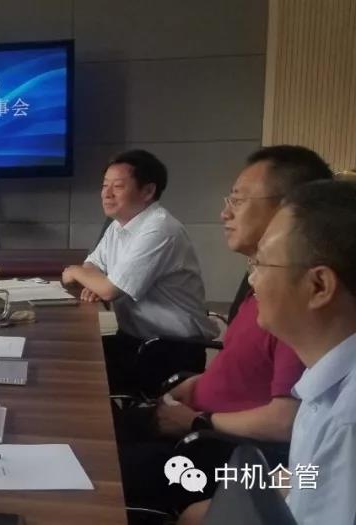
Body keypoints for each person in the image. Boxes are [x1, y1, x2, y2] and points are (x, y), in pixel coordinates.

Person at [118, 145, 333, 513]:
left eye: (238, 200)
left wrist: (199, 421)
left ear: (290, 211)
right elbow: (248, 368)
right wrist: (197, 385)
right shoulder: (260, 288)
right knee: (85, 430)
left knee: (93, 464)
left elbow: (287, 423)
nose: (225, 213)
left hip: (215, 451)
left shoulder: (296, 307)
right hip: (196, 422)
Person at [180, 179, 356, 524]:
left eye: (261, 264)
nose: (253, 280)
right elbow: (302, 476)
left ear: (319, 285)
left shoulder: (346, 421)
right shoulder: (324, 378)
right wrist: (228, 501)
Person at [62, 149, 218, 393]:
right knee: (71, 356)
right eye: (104, 185)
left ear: (147, 191)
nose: (106, 193)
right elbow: (93, 265)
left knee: (74, 374)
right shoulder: (119, 224)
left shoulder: (159, 229)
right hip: (135, 340)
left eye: (117, 186)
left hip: (168, 351)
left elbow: (109, 290)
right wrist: (92, 281)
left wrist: (75, 272)